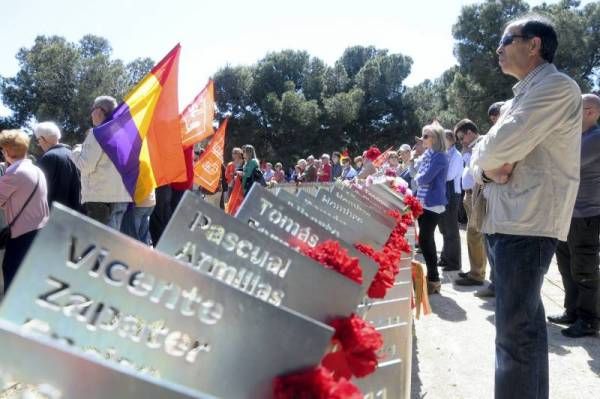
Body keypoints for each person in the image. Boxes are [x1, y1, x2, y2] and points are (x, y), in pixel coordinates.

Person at [471, 16, 581, 399]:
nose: (498, 49)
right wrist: (486, 170)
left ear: (533, 45)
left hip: (527, 224)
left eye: (505, 40)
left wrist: (484, 161)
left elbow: (496, 148)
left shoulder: (555, 87)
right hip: (512, 222)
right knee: (525, 334)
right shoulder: (524, 93)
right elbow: (483, 157)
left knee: (514, 338)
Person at [550, 93, 600, 338]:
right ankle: (572, 310)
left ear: (590, 112)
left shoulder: (595, 138)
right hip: (568, 213)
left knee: (585, 268)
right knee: (566, 264)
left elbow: (564, 163)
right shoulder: (579, 137)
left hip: (585, 214)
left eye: (574, 109)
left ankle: (589, 319)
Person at [71, 96, 131, 230]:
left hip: (100, 198)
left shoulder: (98, 133)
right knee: (113, 243)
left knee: (100, 244)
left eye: (93, 109)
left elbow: (85, 166)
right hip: (121, 196)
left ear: (99, 111)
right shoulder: (123, 134)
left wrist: (76, 150)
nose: (91, 114)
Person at [0, 129, 49, 290]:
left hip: (21, 234)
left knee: (12, 274)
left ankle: (13, 313)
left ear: (6, 151)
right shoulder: (37, 170)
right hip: (39, 230)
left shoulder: (14, 173)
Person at [454, 120, 488, 288]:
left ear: (469, 132)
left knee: (475, 235)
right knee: (473, 235)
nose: (461, 142)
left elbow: (479, 167)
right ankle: (476, 270)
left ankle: (477, 274)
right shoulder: (470, 146)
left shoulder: (482, 143)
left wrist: (467, 152)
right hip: (470, 195)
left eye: (461, 138)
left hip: (477, 194)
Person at [415, 122, 448, 294]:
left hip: (432, 204)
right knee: (427, 241)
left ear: (435, 138)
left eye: (426, 136)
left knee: (425, 240)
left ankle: (434, 279)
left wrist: (418, 177)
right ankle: (433, 278)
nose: (422, 139)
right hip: (424, 202)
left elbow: (424, 178)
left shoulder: (440, 156)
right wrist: (418, 176)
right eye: (422, 136)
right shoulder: (429, 155)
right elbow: (418, 175)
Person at [34, 121, 82, 212]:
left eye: (38, 140)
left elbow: (39, 192)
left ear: (42, 139)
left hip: (52, 214)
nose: (38, 144)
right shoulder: (72, 154)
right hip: (73, 214)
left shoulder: (48, 157)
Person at [437, 130, 463, 271]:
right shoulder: (446, 153)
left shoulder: (456, 155)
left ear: (450, 139)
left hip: (452, 194)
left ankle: (454, 262)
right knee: (444, 229)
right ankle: (445, 258)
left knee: (451, 230)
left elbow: (449, 175)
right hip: (444, 193)